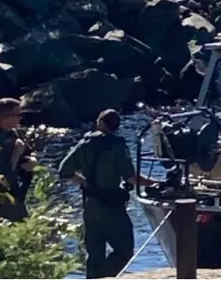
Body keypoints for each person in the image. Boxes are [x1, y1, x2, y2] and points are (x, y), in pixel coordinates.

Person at [58, 109, 152, 279]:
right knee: (124, 250)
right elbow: (131, 177)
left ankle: (94, 277)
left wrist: (84, 182)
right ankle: (106, 276)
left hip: (89, 203)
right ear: (116, 126)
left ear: (99, 122)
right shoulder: (117, 146)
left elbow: (64, 171)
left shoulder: (84, 143)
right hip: (110, 204)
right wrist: (153, 182)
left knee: (94, 253)